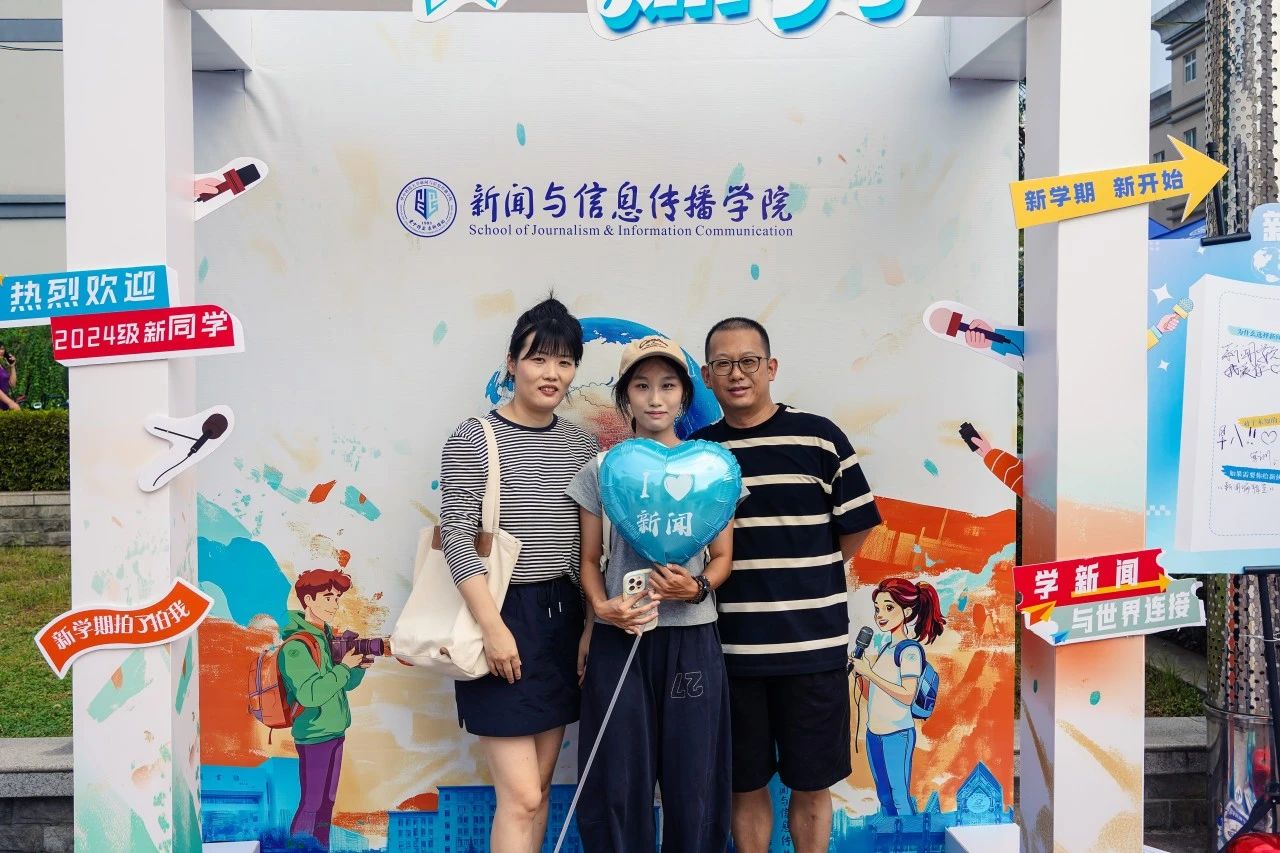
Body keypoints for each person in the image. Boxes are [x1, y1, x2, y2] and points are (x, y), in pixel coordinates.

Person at [690, 317, 882, 853]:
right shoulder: (699, 454)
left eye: (749, 361)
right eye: (724, 364)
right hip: (730, 653)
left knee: (812, 784)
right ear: (706, 375)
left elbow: (856, 526)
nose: (737, 374)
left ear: (771, 368)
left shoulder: (819, 438)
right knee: (743, 783)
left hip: (813, 649)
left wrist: (807, 570)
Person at [567, 335, 739, 853]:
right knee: (618, 779)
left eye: (668, 385)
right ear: (626, 397)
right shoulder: (602, 470)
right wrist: (601, 610)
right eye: (641, 386)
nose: (655, 398)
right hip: (620, 637)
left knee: (695, 779)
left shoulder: (712, 469)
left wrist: (697, 586)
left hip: (692, 639)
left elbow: (723, 558)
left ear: (684, 395)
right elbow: (588, 560)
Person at [439, 296, 598, 853]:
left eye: (565, 362)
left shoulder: (581, 444)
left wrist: (588, 627)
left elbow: (587, 549)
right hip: (498, 613)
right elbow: (457, 538)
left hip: (561, 618)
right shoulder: (474, 435)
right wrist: (493, 628)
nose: (552, 373)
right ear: (512, 363)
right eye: (538, 359)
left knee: (541, 790)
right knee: (522, 796)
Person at [279, 569, 371, 849]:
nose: (335, 604)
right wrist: (344, 668)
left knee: (326, 804)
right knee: (311, 804)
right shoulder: (295, 647)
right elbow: (310, 694)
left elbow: (344, 685)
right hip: (313, 735)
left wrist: (357, 668)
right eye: (328, 597)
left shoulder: (327, 640)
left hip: (335, 732)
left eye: (337, 598)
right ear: (308, 600)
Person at [850, 578, 946, 816]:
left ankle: (907, 836)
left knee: (899, 796)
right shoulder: (886, 649)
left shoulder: (909, 651)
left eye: (888, 608)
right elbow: (872, 697)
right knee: (884, 796)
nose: (880, 615)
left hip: (897, 734)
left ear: (907, 611)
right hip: (874, 733)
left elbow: (907, 695)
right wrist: (861, 676)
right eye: (877, 609)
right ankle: (890, 836)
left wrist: (870, 672)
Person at [0, 342, 19, 410]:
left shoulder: (2, 366)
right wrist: (10, 402)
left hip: (4, 405)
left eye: (2, 349)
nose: (1, 351)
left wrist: (12, 366)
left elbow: (12, 384)